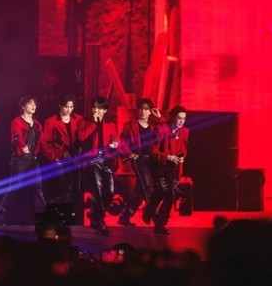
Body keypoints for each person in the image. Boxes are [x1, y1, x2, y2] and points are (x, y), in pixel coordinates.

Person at [0, 95, 46, 226]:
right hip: (20, 159)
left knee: (38, 187)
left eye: (34, 103)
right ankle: (2, 215)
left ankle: (42, 217)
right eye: (30, 103)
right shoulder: (17, 121)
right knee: (14, 187)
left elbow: (42, 141)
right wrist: (23, 147)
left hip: (33, 159)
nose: (33, 106)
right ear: (23, 106)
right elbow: (16, 137)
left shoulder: (37, 124)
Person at [77, 96, 120, 236]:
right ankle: (100, 221)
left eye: (99, 108)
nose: (96, 110)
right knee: (98, 189)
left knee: (111, 192)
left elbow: (116, 139)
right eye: (94, 107)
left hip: (107, 159)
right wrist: (94, 123)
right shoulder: (84, 122)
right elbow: (81, 137)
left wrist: (114, 144)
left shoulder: (111, 124)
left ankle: (94, 212)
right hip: (92, 159)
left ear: (105, 110)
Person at [117, 98, 162, 226]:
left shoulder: (155, 125)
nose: (143, 111)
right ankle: (153, 215)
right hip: (139, 159)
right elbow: (122, 143)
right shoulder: (129, 126)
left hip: (153, 160)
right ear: (137, 110)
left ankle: (125, 216)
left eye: (146, 109)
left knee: (141, 189)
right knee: (147, 186)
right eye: (141, 108)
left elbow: (166, 132)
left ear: (150, 111)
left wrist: (159, 117)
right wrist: (130, 154)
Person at [147, 105, 189, 235]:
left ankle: (153, 215)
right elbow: (152, 151)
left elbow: (183, 148)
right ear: (172, 117)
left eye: (184, 118)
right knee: (164, 192)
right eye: (179, 118)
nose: (181, 121)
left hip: (171, 167)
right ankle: (158, 221)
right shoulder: (160, 130)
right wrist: (168, 157)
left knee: (171, 193)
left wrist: (182, 157)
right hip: (158, 165)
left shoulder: (185, 131)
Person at [41, 93, 82, 205]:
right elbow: (46, 142)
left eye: (71, 107)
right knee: (64, 187)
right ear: (60, 105)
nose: (69, 110)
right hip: (59, 158)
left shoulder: (79, 119)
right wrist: (58, 155)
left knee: (76, 187)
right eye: (66, 107)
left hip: (76, 157)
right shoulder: (51, 121)